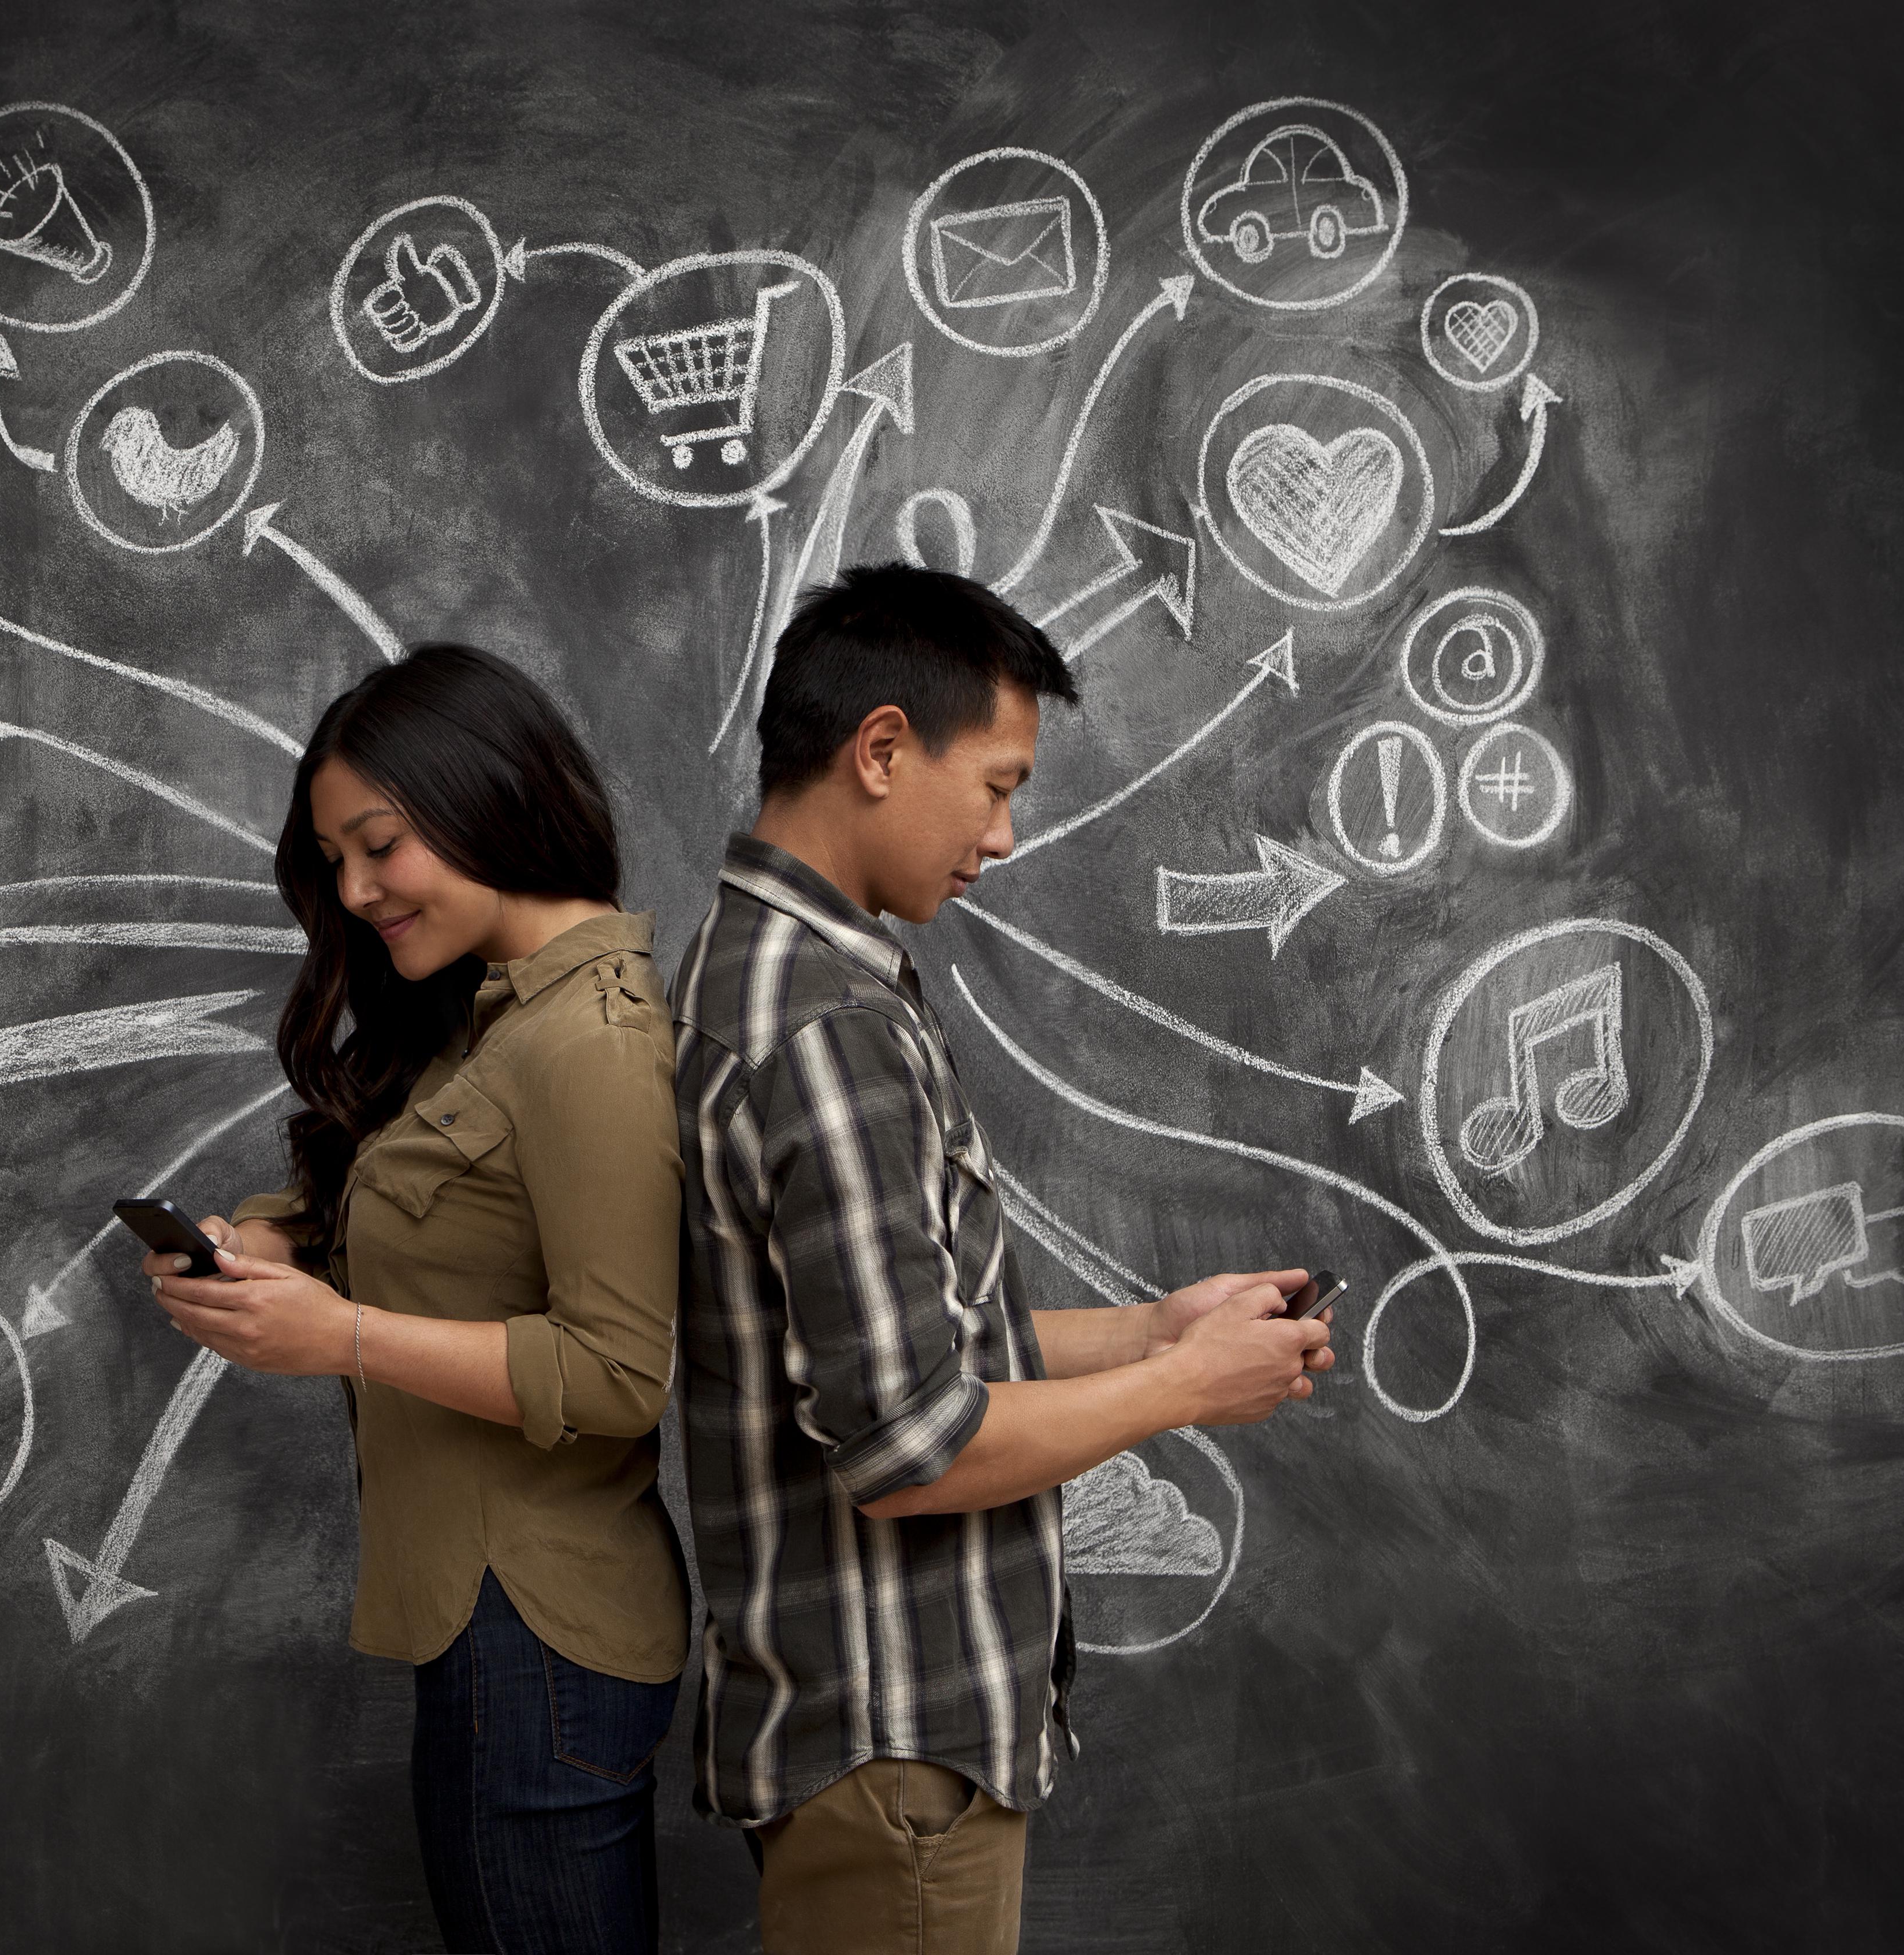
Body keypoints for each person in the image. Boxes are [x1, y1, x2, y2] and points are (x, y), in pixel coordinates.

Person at [672, 564, 1336, 1954]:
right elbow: (910, 1443)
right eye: (993, 782)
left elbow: (908, 1337)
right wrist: (1185, 1391)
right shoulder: (821, 1027)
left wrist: (1161, 1327)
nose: (1006, 830)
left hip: (883, 1741)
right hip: (895, 1741)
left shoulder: (797, 977)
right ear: (880, 751)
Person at [146, 643, 689, 1955]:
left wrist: (338, 1334)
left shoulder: (588, 1042)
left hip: (540, 1630)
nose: (354, 888)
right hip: (492, 1621)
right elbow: (443, 1221)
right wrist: (281, 1246)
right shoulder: (490, 1019)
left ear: (485, 795)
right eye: (335, 858)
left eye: (378, 844)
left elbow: (621, 1371)